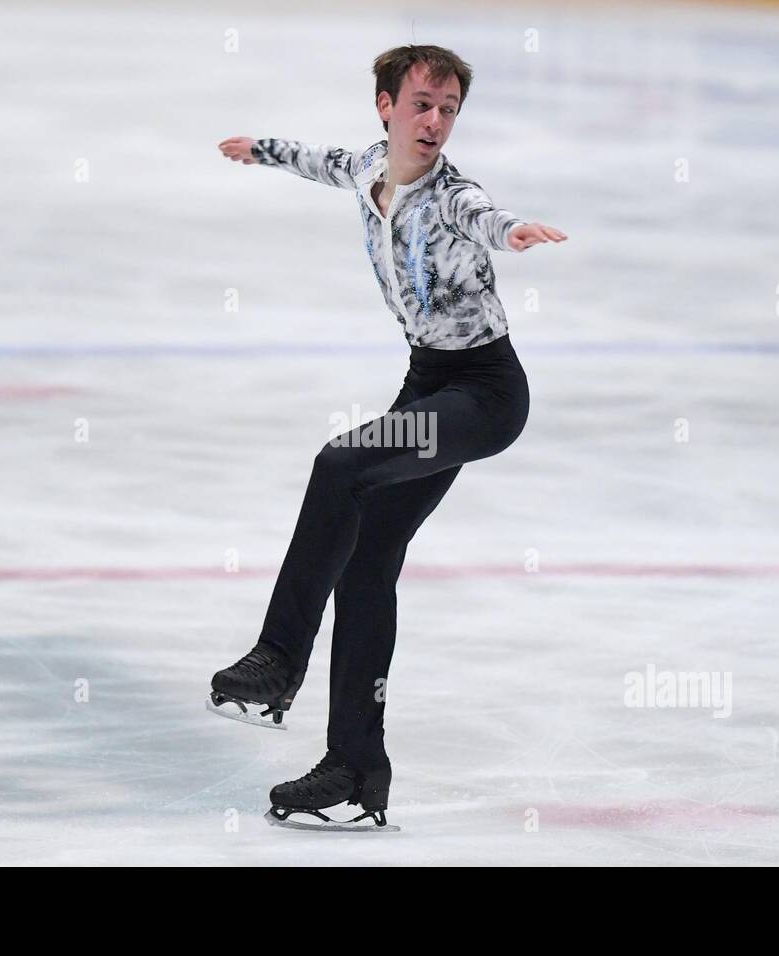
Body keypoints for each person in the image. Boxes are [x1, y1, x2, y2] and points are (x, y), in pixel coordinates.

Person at [208, 44, 567, 831]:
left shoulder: (452, 196)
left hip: (484, 393)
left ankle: (278, 658)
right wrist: (259, 149)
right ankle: (356, 764)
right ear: (386, 105)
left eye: (448, 109)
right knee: (367, 566)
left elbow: (486, 216)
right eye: (422, 104)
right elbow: (317, 159)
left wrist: (513, 234)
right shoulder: (370, 166)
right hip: (427, 382)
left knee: (340, 464)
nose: (435, 120)